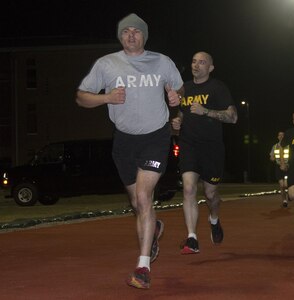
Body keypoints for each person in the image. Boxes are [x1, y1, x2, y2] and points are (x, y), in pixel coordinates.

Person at [75, 13, 184, 289]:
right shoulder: (107, 64)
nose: (131, 35)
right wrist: (107, 97)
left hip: (155, 137)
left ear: (144, 36)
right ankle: (155, 228)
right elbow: (81, 97)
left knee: (145, 198)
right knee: (137, 204)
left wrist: (176, 96)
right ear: (120, 36)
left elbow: (179, 87)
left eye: (136, 31)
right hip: (124, 140)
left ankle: (143, 266)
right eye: (126, 32)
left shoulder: (162, 61)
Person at [171, 51, 237, 254]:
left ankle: (214, 219)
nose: (196, 65)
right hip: (189, 145)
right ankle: (192, 238)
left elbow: (232, 117)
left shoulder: (218, 87)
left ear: (210, 68)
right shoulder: (185, 88)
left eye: (202, 62)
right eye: (193, 61)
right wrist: (177, 123)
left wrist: (206, 111)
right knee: (189, 188)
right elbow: (181, 113)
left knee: (210, 194)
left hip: (212, 148)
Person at [269, 131, 289, 208]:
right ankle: (284, 200)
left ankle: (291, 195)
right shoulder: (274, 146)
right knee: (282, 185)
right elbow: (271, 157)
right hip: (278, 167)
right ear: (278, 137)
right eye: (279, 135)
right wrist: (272, 158)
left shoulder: (289, 146)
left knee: (286, 185)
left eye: (282, 135)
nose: (281, 137)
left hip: (288, 167)